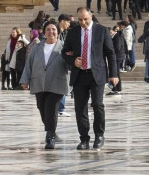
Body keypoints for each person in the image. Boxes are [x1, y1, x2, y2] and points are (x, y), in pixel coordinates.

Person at [62, 8, 119, 149]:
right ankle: (84, 138)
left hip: (97, 74)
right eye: (80, 20)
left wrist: (114, 74)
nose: (83, 22)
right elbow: (64, 52)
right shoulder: (73, 32)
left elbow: (110, 53)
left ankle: (99, 135)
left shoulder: (102, 31)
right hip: (79, 75)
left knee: (97, 105)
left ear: (91, 16)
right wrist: (73, 60)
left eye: (86, 19)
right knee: (80, 108)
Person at [19, 21, 71, 149]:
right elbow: (29, 64)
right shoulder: (37, 47)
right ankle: (52, 131)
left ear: (58, 32)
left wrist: (72, 58)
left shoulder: (63, 47)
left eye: (54, 29)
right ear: (44, 32)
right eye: (48, 29)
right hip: (39, 83)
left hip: (57, 83)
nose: (51, 32)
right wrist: (24, 80)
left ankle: (50, 137)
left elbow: (70, 65)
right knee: (42, 109)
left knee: (52, 109)